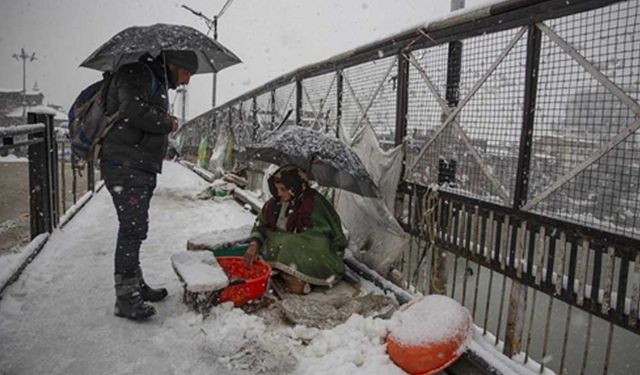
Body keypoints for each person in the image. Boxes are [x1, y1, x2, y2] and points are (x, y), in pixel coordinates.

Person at [100, 50, 198, 320]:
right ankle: (126, 298)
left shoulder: (149, 76)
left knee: (135, 227)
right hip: (126, 166)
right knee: (132, 229)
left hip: (135, 166)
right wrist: (168, 122)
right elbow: (132, 111)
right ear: (174, 65)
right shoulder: (138, 73)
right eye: (187, 73)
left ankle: (135, 285)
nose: (187, 81)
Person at [244, 165, 347, 294]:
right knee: (270, 241)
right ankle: (288, 271)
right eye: (277, 189)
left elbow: (336, 233)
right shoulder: (274, 204)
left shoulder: (315, 203)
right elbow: (260, 224)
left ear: (295, 187)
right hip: (288, 251)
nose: (279, 193)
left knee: (289, 242)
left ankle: (302, 274)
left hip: (314, 252)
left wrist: (337, 253)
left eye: (283, 189)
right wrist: (254, 244)